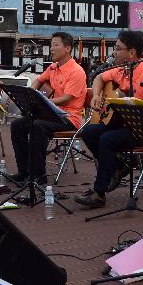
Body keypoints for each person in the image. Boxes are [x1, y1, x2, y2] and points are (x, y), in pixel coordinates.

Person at [74, 30, 143, 209]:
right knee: (89, 132)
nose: (114, 53)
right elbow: (100, 77)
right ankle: (117, 166)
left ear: (132, 53)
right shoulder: (123, 70)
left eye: (118, 49)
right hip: (124, 124)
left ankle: (99, 193)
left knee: (107, 140)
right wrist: (96, 96)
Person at [10, 31, 86, 185]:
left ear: (68, 48)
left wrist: (43, 102)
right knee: (17, 124)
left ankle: (38, 175)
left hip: (69, 118)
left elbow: (67, 98)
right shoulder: (52, 67)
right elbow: (38, 80)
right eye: (51, 45)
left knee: (38, 125)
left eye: (56, 45)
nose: (51, 49)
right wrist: (31, 95)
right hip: (51, 114)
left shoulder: (76, 71)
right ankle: (24, 171)